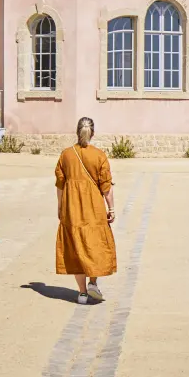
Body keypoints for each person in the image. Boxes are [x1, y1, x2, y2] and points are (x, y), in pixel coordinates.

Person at [55, 117, 116, 304]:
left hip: (72, 208)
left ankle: (82, 292)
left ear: (77, 132)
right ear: (93, 133)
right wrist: (111, 208)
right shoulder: (99, 155)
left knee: (76, 247)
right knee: (93, 245)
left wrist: (60, 206)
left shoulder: (66, 155)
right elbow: (106, 186)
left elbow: (60, 185)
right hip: (93, 208)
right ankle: (93, 282)